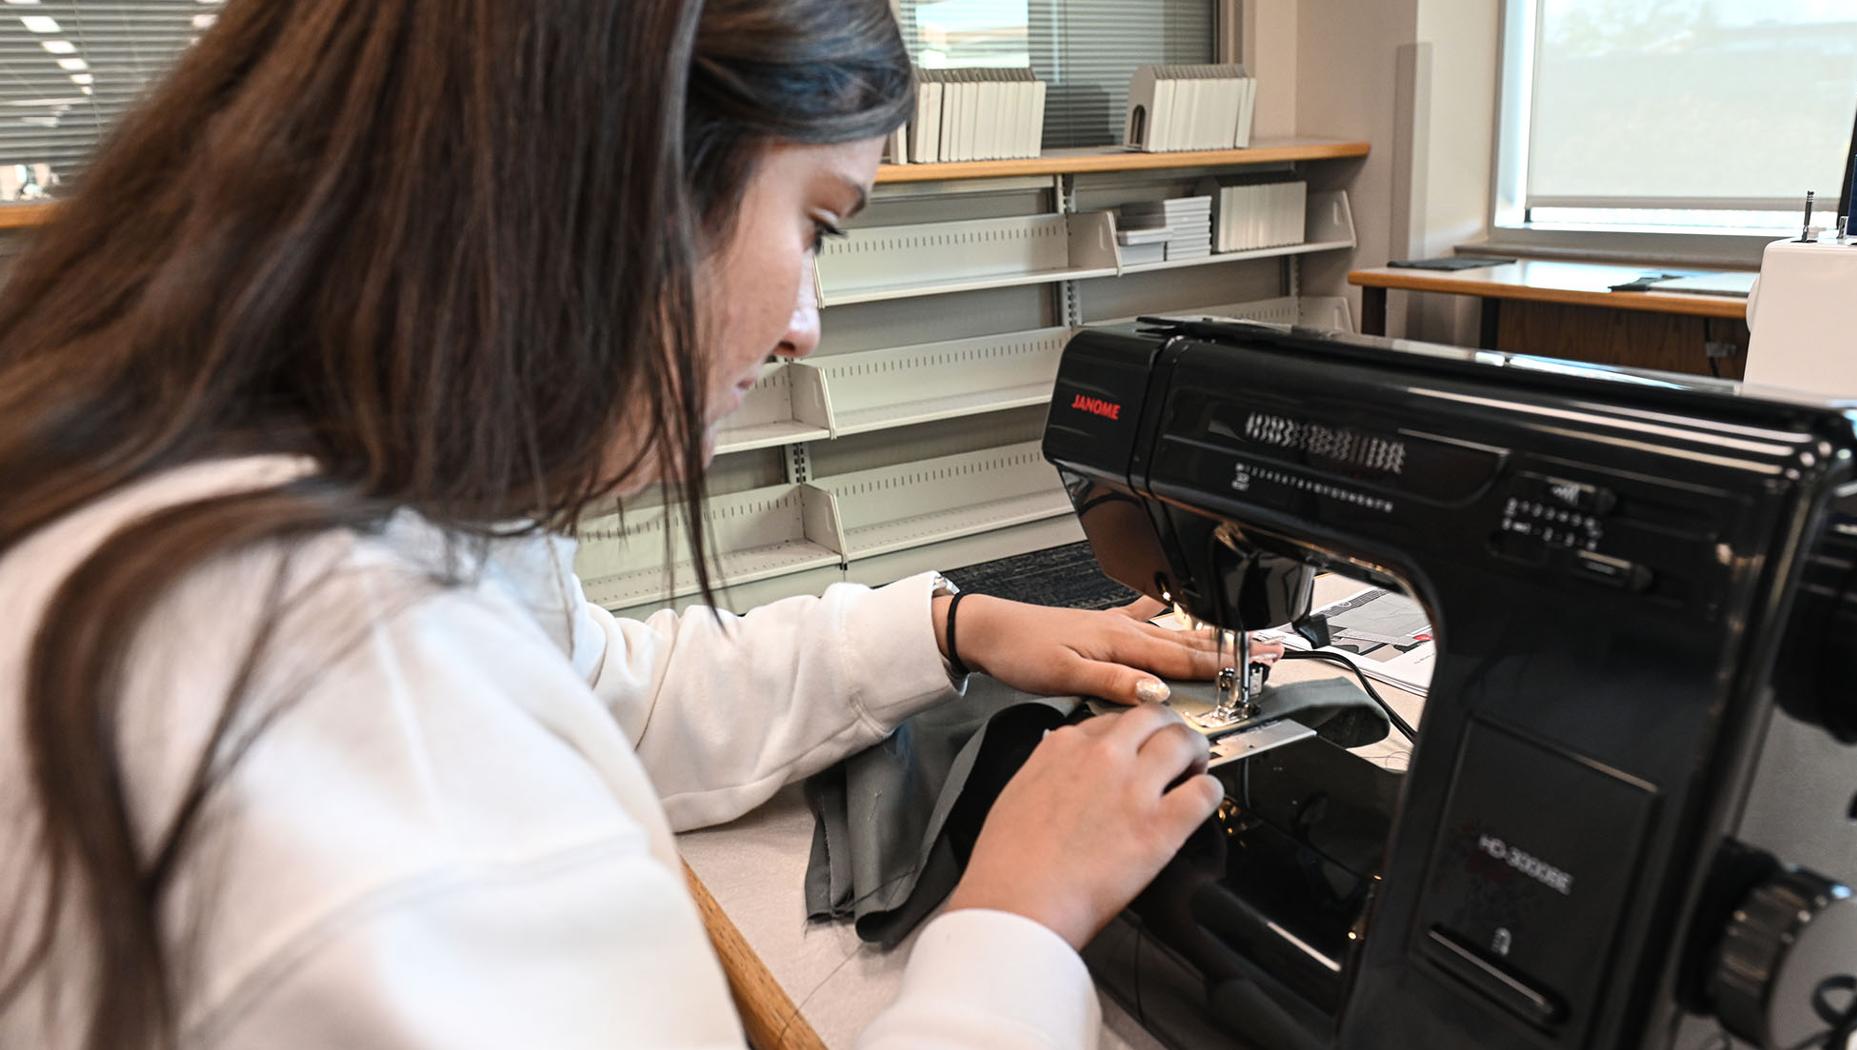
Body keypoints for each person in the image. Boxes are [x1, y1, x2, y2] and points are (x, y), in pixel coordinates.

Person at [0, 2, 1249, 1047]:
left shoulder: (247, 497)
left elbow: (602, 693)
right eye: (813, 223)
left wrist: (946, 625)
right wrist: (1012, 933)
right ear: (610, 168)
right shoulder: (346, 745)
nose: (805, 322)